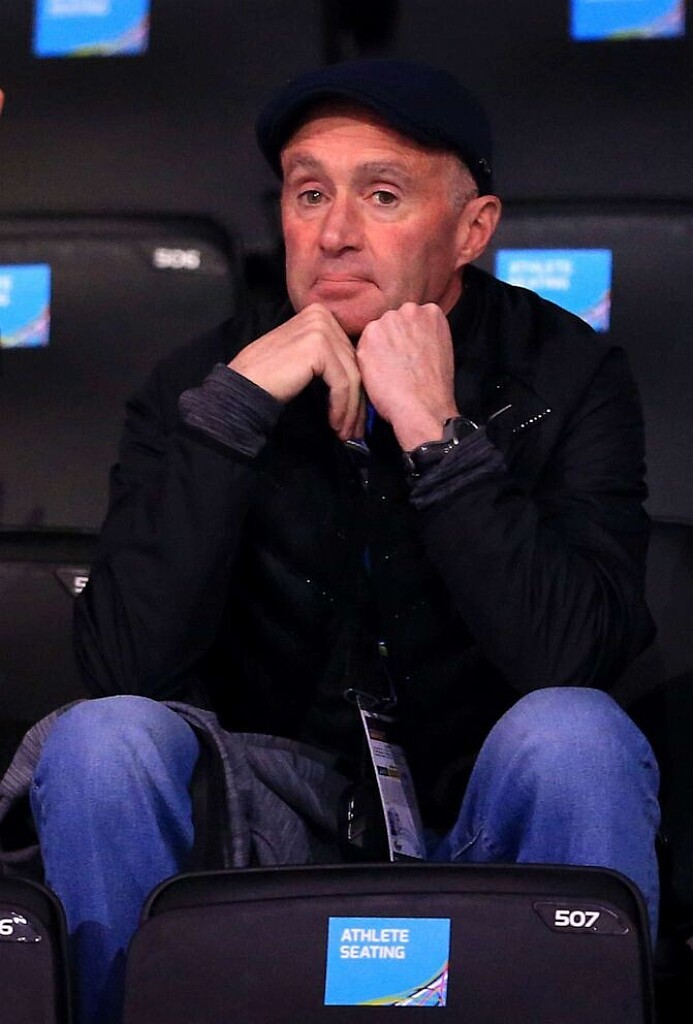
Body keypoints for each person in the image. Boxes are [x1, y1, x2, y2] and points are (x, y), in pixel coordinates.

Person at [9, 59, 661, 1023]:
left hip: (478, 815)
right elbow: (121, 666)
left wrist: (438, 437)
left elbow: (572, 656)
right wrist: (231, 419)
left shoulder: (566, 377)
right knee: (101, 741)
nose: (333, 232)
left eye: (382, 195)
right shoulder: (201, 384)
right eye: (308, 193)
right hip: (263, 821)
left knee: (575, 735)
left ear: (471, 229)